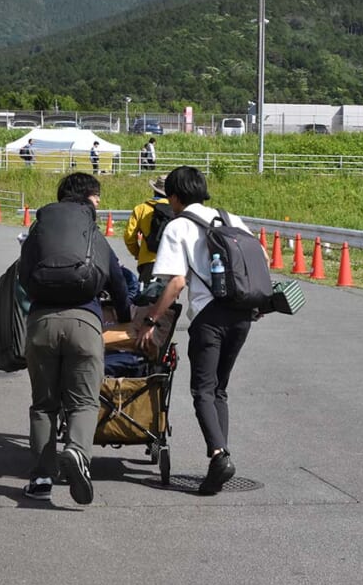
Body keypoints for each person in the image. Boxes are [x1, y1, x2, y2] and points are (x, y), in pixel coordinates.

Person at [136, 166, 260, 495]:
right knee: (219, 389)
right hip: (243, 313)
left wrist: (151, 320)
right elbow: (259, 257)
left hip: (210, 316)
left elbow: (175, 282)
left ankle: (220, 456)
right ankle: (220, 456)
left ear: (174, 197)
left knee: (203, 390)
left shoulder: (179, 226)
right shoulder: (230, 218)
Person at [21, 172, 132, 505]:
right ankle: (77, 452)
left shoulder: (40, 230)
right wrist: (125, 316)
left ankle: (41, 477)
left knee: (44, 405)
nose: (99, 203)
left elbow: (23, 275)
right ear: (87, 199)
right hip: (85, 324)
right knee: (84, 401)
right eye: (97, 198)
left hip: (41, 324)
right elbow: (117, 281)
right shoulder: (92, 233)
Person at [123, 174, 171, 285]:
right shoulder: (175, 209)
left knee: (146, 297)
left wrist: (138, 253)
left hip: (148, 262)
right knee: (168, 299)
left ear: (155, 190)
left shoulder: (141, 208)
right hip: (170, 262)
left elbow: (129, 237)